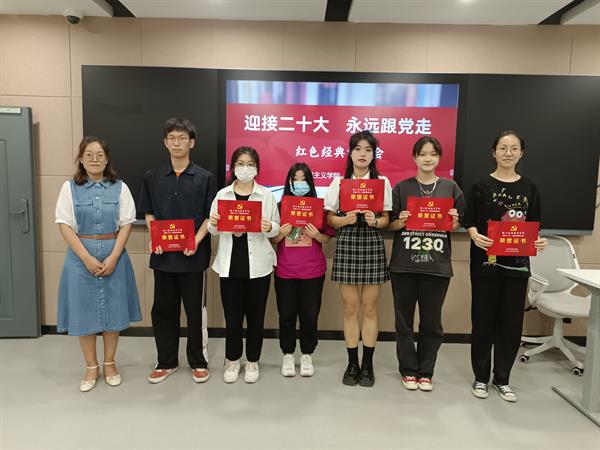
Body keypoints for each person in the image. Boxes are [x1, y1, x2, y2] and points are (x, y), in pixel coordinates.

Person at [464, 130, 547, 402]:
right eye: (503, 148)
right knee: (482, 321)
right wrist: (474, 235)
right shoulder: (480, 186)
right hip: (485, 265)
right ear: (494, 152)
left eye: (513, 148)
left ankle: (503, 379)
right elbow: (469, 220)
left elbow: (534, 226)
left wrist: (538, 241)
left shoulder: (530, 188)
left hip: (517, 267)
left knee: (511, 324)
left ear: (521, 153)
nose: (508, 153)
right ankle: (480, 377)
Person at [55, 137, 141, 392]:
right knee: (84, 312)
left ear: (107, 159)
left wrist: (114, 256)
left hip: (115, 255)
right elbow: (64, 224)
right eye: (89, 155)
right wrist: (86, 258)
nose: (95, 159)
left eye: (100, 155)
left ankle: (110, 364)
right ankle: (91, 367)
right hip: (80, 258)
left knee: (113, 311)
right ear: (81, 159)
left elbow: (126, 223)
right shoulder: (69, 188)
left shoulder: (120, 188)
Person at [137, 118, 217, 384]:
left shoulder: (205, 178)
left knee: (195, 312)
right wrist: (155, 237)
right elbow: (149, 213)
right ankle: (166, 361)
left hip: (194, 258)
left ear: (191, 143)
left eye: (182, 138)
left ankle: (198, 361)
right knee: (163, 311)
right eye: (171, 138)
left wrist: (196, 240)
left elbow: (210, 217)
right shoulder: (152, 177)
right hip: (163, 258)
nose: (176, 143)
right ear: (165, 143)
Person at [387, 136, 464, 392]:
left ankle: (426, 371)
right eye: (423, 154)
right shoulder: (401, 188)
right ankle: (408, 370)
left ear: (439, 158)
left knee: (432, 323)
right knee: (403, 321)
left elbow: (457, 224)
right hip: (404, 265)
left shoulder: (451, 187)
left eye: (433, 154)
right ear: (415, 157)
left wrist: (454, 220)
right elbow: (390, 224)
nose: (428, 158)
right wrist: (401, 220)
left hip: (437, 265)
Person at [324, 130, 393, 387]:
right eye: (358, 149)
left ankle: (368, 364)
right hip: (348, 243)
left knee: (370, 308)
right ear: (350, 153)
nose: (362, 154)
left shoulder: (382, 182)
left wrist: (377, 221)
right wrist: (345, 220)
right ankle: (352, 363)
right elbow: (330, 219)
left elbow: (386, 220)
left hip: (372, 243)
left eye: (368, 149)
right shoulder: (339, 182)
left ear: (373, 154)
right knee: (350, 308)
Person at [208, 146, 280, 383]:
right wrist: (214, 222)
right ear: (233, 167)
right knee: (233, 317)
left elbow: (276, 228)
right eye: (240, 163)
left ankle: (252, 361)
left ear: (257, 168)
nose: (245, 168)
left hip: (259, 266)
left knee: (256, 318)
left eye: (250, 164)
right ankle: (232, 360)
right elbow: (212, 229)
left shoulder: (266, 195)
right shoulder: (223, 195)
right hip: (230, 265)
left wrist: (269, 227)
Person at [272, 163, 333, 377]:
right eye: (295, 179)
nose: (299, 184)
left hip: (312, 271)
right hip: (285, 270)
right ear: (289, 182)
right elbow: (272, 239)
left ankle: (307, 353)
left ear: (310, 183)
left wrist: (317, 235)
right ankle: (288, 354)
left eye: (304, 179)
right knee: (286, 315)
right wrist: (281, 233)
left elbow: (326, 238)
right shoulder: (280, 206)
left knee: (310, 315)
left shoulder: (319, 208)